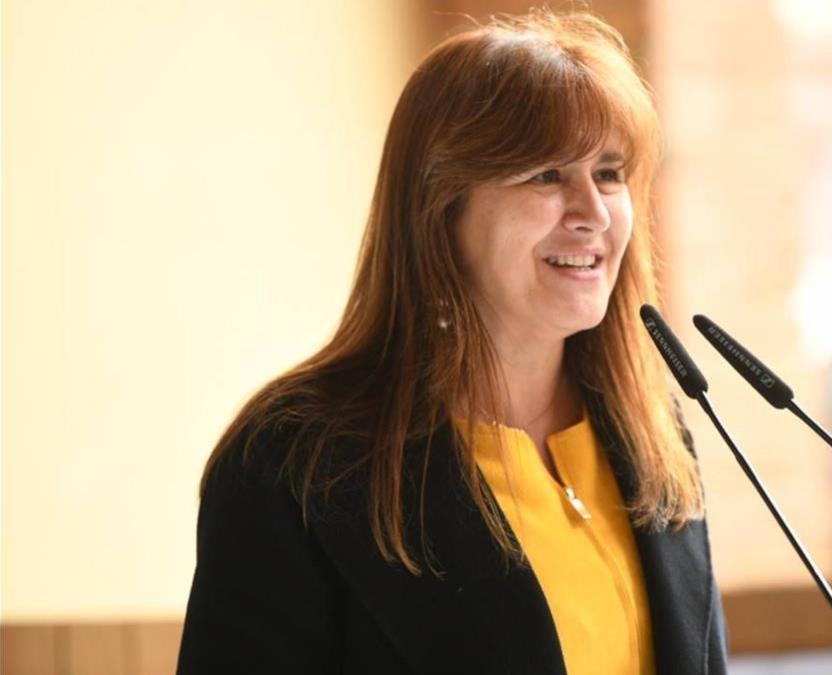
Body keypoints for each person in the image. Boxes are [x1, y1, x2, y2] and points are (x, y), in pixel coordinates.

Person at [176, 9, 728, 675]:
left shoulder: (654, 436)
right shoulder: (298, 461)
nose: (592, 212)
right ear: (442, 207)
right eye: (547, 174)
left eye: (609, 174)